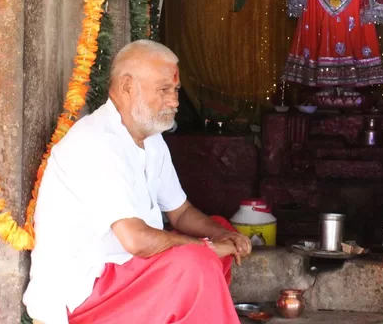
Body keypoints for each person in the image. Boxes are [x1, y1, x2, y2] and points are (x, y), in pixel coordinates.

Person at [23, 40, 251, 324]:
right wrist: (202, 248)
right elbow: (136, 240)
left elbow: (180, 212)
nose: (175, 102)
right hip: (87, 293)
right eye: (164, 90)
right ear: (127, 86)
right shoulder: (96, 141)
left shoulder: (152, 140)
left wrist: (220, 236)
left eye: (176, 90)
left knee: (219, 232)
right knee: (196, 262)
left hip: (130, 272)